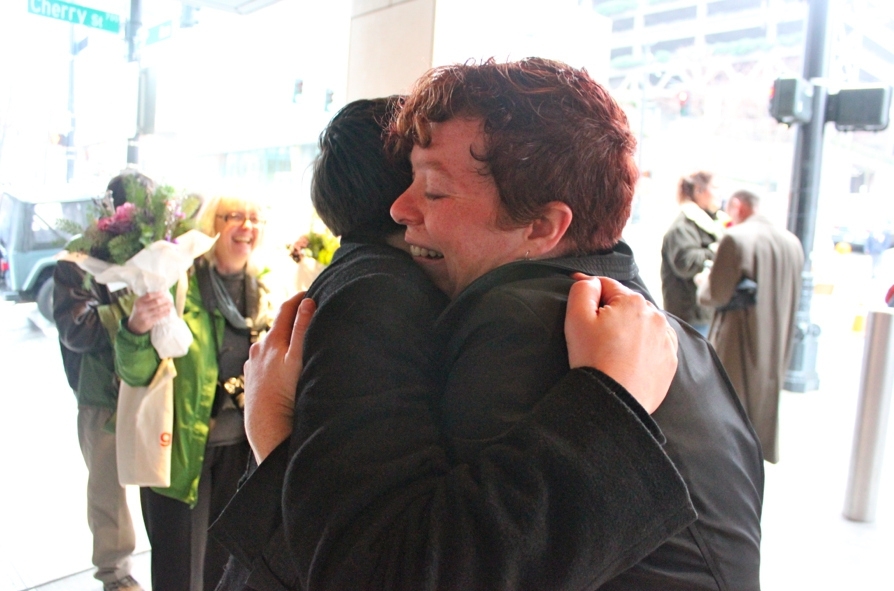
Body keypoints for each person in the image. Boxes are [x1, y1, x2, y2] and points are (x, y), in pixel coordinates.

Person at [211, 97, 690, 590]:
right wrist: (610, 404)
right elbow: (379, 564)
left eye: (435, 188)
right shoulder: (382, 293)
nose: (407, 205)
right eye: (418, 177)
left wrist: (275, 439)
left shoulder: (507, 309)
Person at [115, 194, 275, 591]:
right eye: (234, 216)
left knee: (226, 568)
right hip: (182, 450)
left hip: (242, 454)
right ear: (211, 226)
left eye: (254, 217)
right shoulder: (179, 283)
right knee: (178, 570)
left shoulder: (264, 289)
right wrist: (135, 329)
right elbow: (136, 372)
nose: (247, 226)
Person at [53, 170, 153, 591]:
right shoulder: (78, 258)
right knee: (108, 493)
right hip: (101, 393)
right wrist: (129, 319)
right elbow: (75, 330)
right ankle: (116, 578)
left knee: (162, 479)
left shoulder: (153, 250)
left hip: (153, 386)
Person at [697, 189, 804, 463]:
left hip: (739, 336)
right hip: (776, 338)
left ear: (738, 206)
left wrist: (702, 282)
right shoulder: (791, 242)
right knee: (763, 403)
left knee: (730, 406)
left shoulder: (736, 239)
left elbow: (716, 294)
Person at [661, 170, 726, 336]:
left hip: (702, 315)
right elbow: (686, 262)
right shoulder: (684, 226)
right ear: (699, 190)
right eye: (716, 187)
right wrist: (716, 251)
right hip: (690, 318)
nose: (720, 194)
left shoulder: (712, 223)